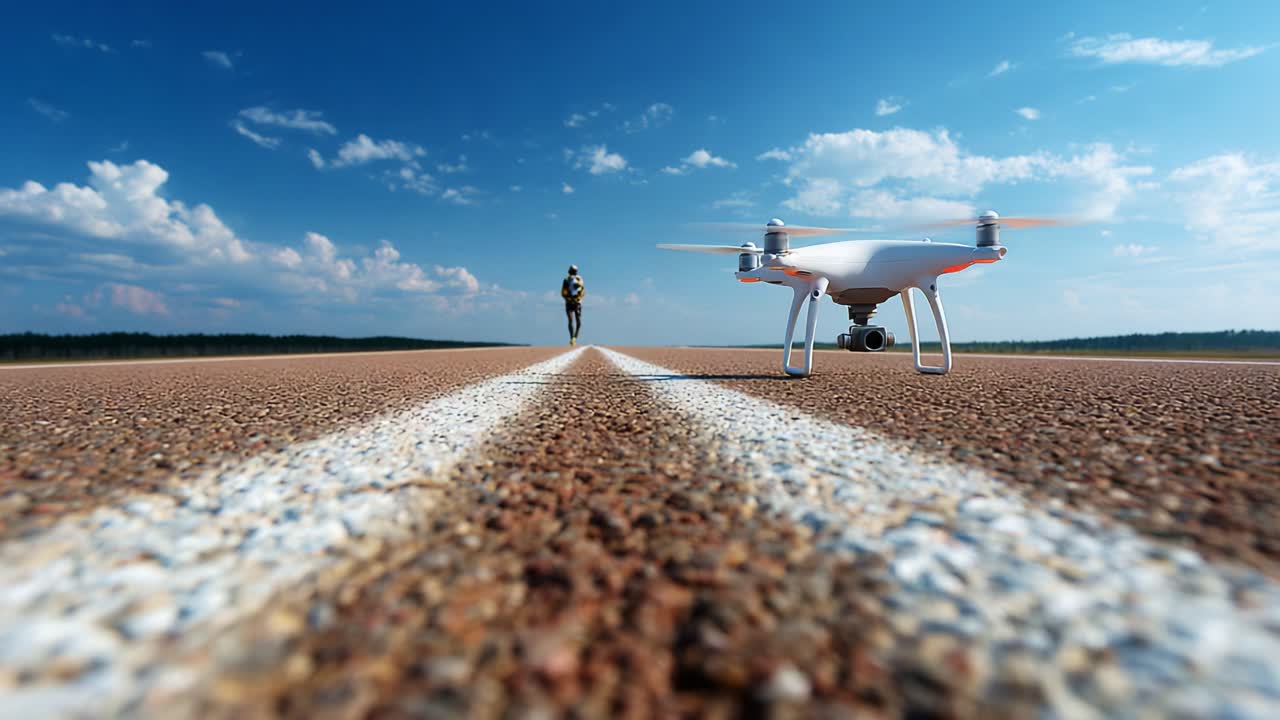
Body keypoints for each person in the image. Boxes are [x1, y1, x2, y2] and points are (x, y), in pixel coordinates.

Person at [561, 265, 585, 346]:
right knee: (570, 320)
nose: (573, 272)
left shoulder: (579, 279)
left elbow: (582, 289)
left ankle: (575, 337)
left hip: (577, 302)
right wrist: (567, 298)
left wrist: (577, 299)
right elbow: (563, 292)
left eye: (574, 270)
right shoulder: (566, 280)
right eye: (572, 270)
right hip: (569, 302)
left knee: (578, 321)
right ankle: (572, 338)